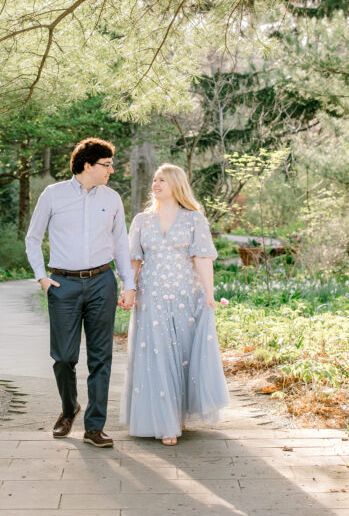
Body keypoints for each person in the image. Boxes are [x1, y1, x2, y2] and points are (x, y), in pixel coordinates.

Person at [25, 137, 135, 448]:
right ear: (87, 165)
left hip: (102, 282)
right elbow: (33, 238)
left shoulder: (112, 199)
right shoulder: (53, 195)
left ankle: (94, 427)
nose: (111, 170)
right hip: (64, 284)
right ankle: (68, 407)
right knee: (63, 357)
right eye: (106, 165)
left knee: (101, 357)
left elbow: (121, 244)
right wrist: (42, 278)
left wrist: (128, 284)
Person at [120, 163, 229, 445]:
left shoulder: (194, 219)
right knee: (156, 355)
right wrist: (128, 289)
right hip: (151, 296)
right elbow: (134, 260)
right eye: (155, 180)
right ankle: (165, 422)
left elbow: (202, 258)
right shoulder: (142, 221)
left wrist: (209, 293)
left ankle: (177, 413)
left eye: (162, 181)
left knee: (181, 355)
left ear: (176, 185)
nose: (155, 185)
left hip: (185, 295)